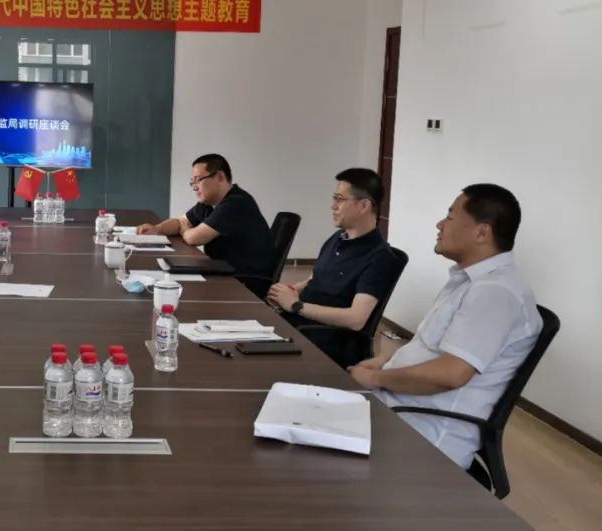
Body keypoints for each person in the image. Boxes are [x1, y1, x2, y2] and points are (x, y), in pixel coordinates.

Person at [348, 184, 542, 469]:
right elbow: (430, 347)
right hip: (395, 408)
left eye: (450, 217)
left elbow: (450, 374)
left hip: (422, 435)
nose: (440, 224)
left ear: (482, 232)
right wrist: (386, 361)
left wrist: (376, 379)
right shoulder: (468, 281)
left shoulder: (495, 293)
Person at [267, 168, 403, 365]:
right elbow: (315, 279)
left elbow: (356, 319)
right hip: (296, 325)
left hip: (322, 341)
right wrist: (289, 290)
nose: (333, 206)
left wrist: (297, 306)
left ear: (364, 205)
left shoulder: (380, 258)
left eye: (340, 199)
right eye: (334, 198)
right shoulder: (338, 238)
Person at [136, 153, 275, 295]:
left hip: (246, 282)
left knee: (179, 292)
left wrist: (185, 230)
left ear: (220, 177)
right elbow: (180, 222)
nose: (194, 187)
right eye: (192, 183)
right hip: (223, 271)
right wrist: (157, 229)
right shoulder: (208, 204)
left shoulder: (236, 203)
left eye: (198, 180)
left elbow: (194, 238)